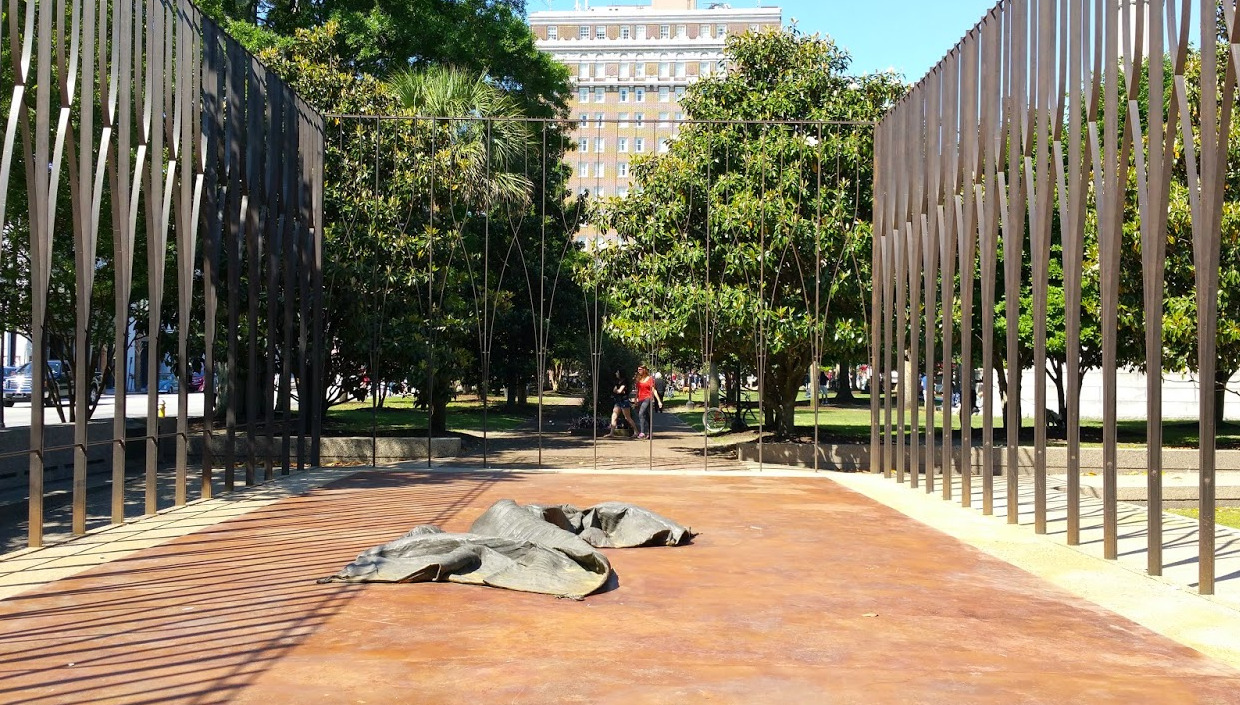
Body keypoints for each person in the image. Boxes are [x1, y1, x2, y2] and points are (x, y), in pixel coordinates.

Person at [604, 369, 637, 438]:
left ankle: (636, 432)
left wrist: (618, 391)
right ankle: (611, 433)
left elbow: (619, 391)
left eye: (617, 372)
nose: (616, 373)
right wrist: (618, 391)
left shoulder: (624, 382)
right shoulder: (617, 382)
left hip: (624, 401)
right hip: (618, 400)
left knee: (627, 417)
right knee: (614, 416)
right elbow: (615, 390)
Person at [634, 364, 663, 440]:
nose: (639, 371)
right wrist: (635, 399)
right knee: (646, 416)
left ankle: (642, 432)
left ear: (644, 369)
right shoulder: (638, 379)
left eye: (640, 369)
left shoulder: (650, 379)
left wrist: (659, 401)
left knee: (641, 413)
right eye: (638, 369)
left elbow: (654, 390)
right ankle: (650, 433)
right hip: (640, 398)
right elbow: (638, 390)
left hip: (648, 398)